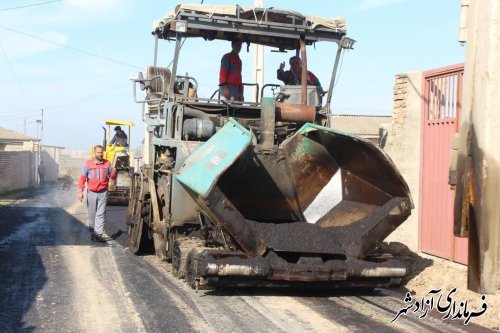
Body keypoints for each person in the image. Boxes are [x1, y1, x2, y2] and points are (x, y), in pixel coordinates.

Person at [78, 145, 116, 242]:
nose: (100, 154)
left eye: (101, 152)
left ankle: (99, 234)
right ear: (94, 153)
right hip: (92, 192)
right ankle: (93, 231)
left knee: (101, 213)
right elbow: (82, 178)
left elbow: (112, 175)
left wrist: (114, 172)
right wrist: (80, 191)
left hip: (103, 191)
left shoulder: (107, 163)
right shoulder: (88, 164)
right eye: (98, 152)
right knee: (92, 213)